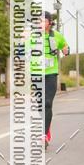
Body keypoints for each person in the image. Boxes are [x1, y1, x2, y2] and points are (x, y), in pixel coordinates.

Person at [31, 11, 69, 149]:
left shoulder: (56, 36)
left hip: (51, 73)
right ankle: (46, 130)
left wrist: (65, 50)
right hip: (36, 74)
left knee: (47, 103)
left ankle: (43, 135)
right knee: (41, 105)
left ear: (49, 22)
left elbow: (65, 47)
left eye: (43, 20)